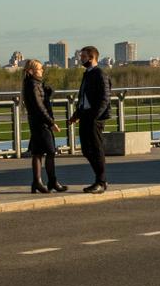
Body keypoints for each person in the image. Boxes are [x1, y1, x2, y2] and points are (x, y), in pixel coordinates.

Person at [21, 59, 65, 194]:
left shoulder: (35, 84)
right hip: (40, 123)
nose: (42, 71)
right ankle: (48, 181)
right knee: (49, 152)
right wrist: (51, 123)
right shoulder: (33, 85)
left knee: (38, 152)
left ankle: (39, 182)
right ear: (31, 71)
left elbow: (41, 101)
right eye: (39, 69)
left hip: (37, 122)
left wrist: (47, 92)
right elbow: (39, 107)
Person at [72, 46, 111, 193]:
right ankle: (100, 179)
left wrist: (95, 116)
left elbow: (105, 98)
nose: (80, 59)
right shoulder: (87, 74)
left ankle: (101, 182)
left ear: (91, 57)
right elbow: (83, 97)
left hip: (95, 117)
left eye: (83, 57)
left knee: (96, 149)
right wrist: (76, 115)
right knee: (86, 149)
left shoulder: (99, 74)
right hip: (85, 115)